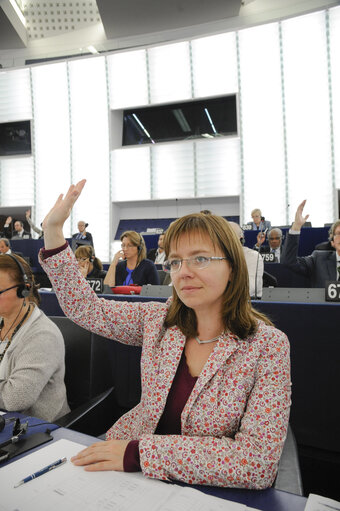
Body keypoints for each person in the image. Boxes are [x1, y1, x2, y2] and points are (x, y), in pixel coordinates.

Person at [39, 180, 291, 489]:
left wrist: (139, 454)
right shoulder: (158, 320)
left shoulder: (267, 346)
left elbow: (257, 463)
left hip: (199, 490)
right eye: (175, 261)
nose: (183, 271)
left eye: (200, 258)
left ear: (233, 266)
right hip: (122, 473)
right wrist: (53, 231)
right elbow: (84, 308)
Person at [0, 254, 70, 421]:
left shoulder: (43, 335)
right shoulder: (3, 321)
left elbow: (15, 398)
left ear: (23, 290)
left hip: (37, 431)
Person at [281, 200, 340, 286]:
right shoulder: (318, 259)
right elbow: (289, 261)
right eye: (338, 234)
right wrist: (296, 227)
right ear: (332, 242)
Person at [229, 222, 264, 298]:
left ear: (241, 239)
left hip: (248, 302)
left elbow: (249, 288)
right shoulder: (216, 256)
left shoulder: (253, 256)